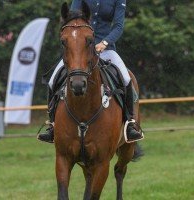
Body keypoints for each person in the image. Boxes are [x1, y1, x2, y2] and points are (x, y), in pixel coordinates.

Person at [38, 0, 143, 143]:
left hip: (105, 49)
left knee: (126, 79)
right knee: (52, 81)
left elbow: (118, 26)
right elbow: (72, 19)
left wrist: (105, 42)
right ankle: (51, 125)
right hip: (80, 49)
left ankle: (130, 123)